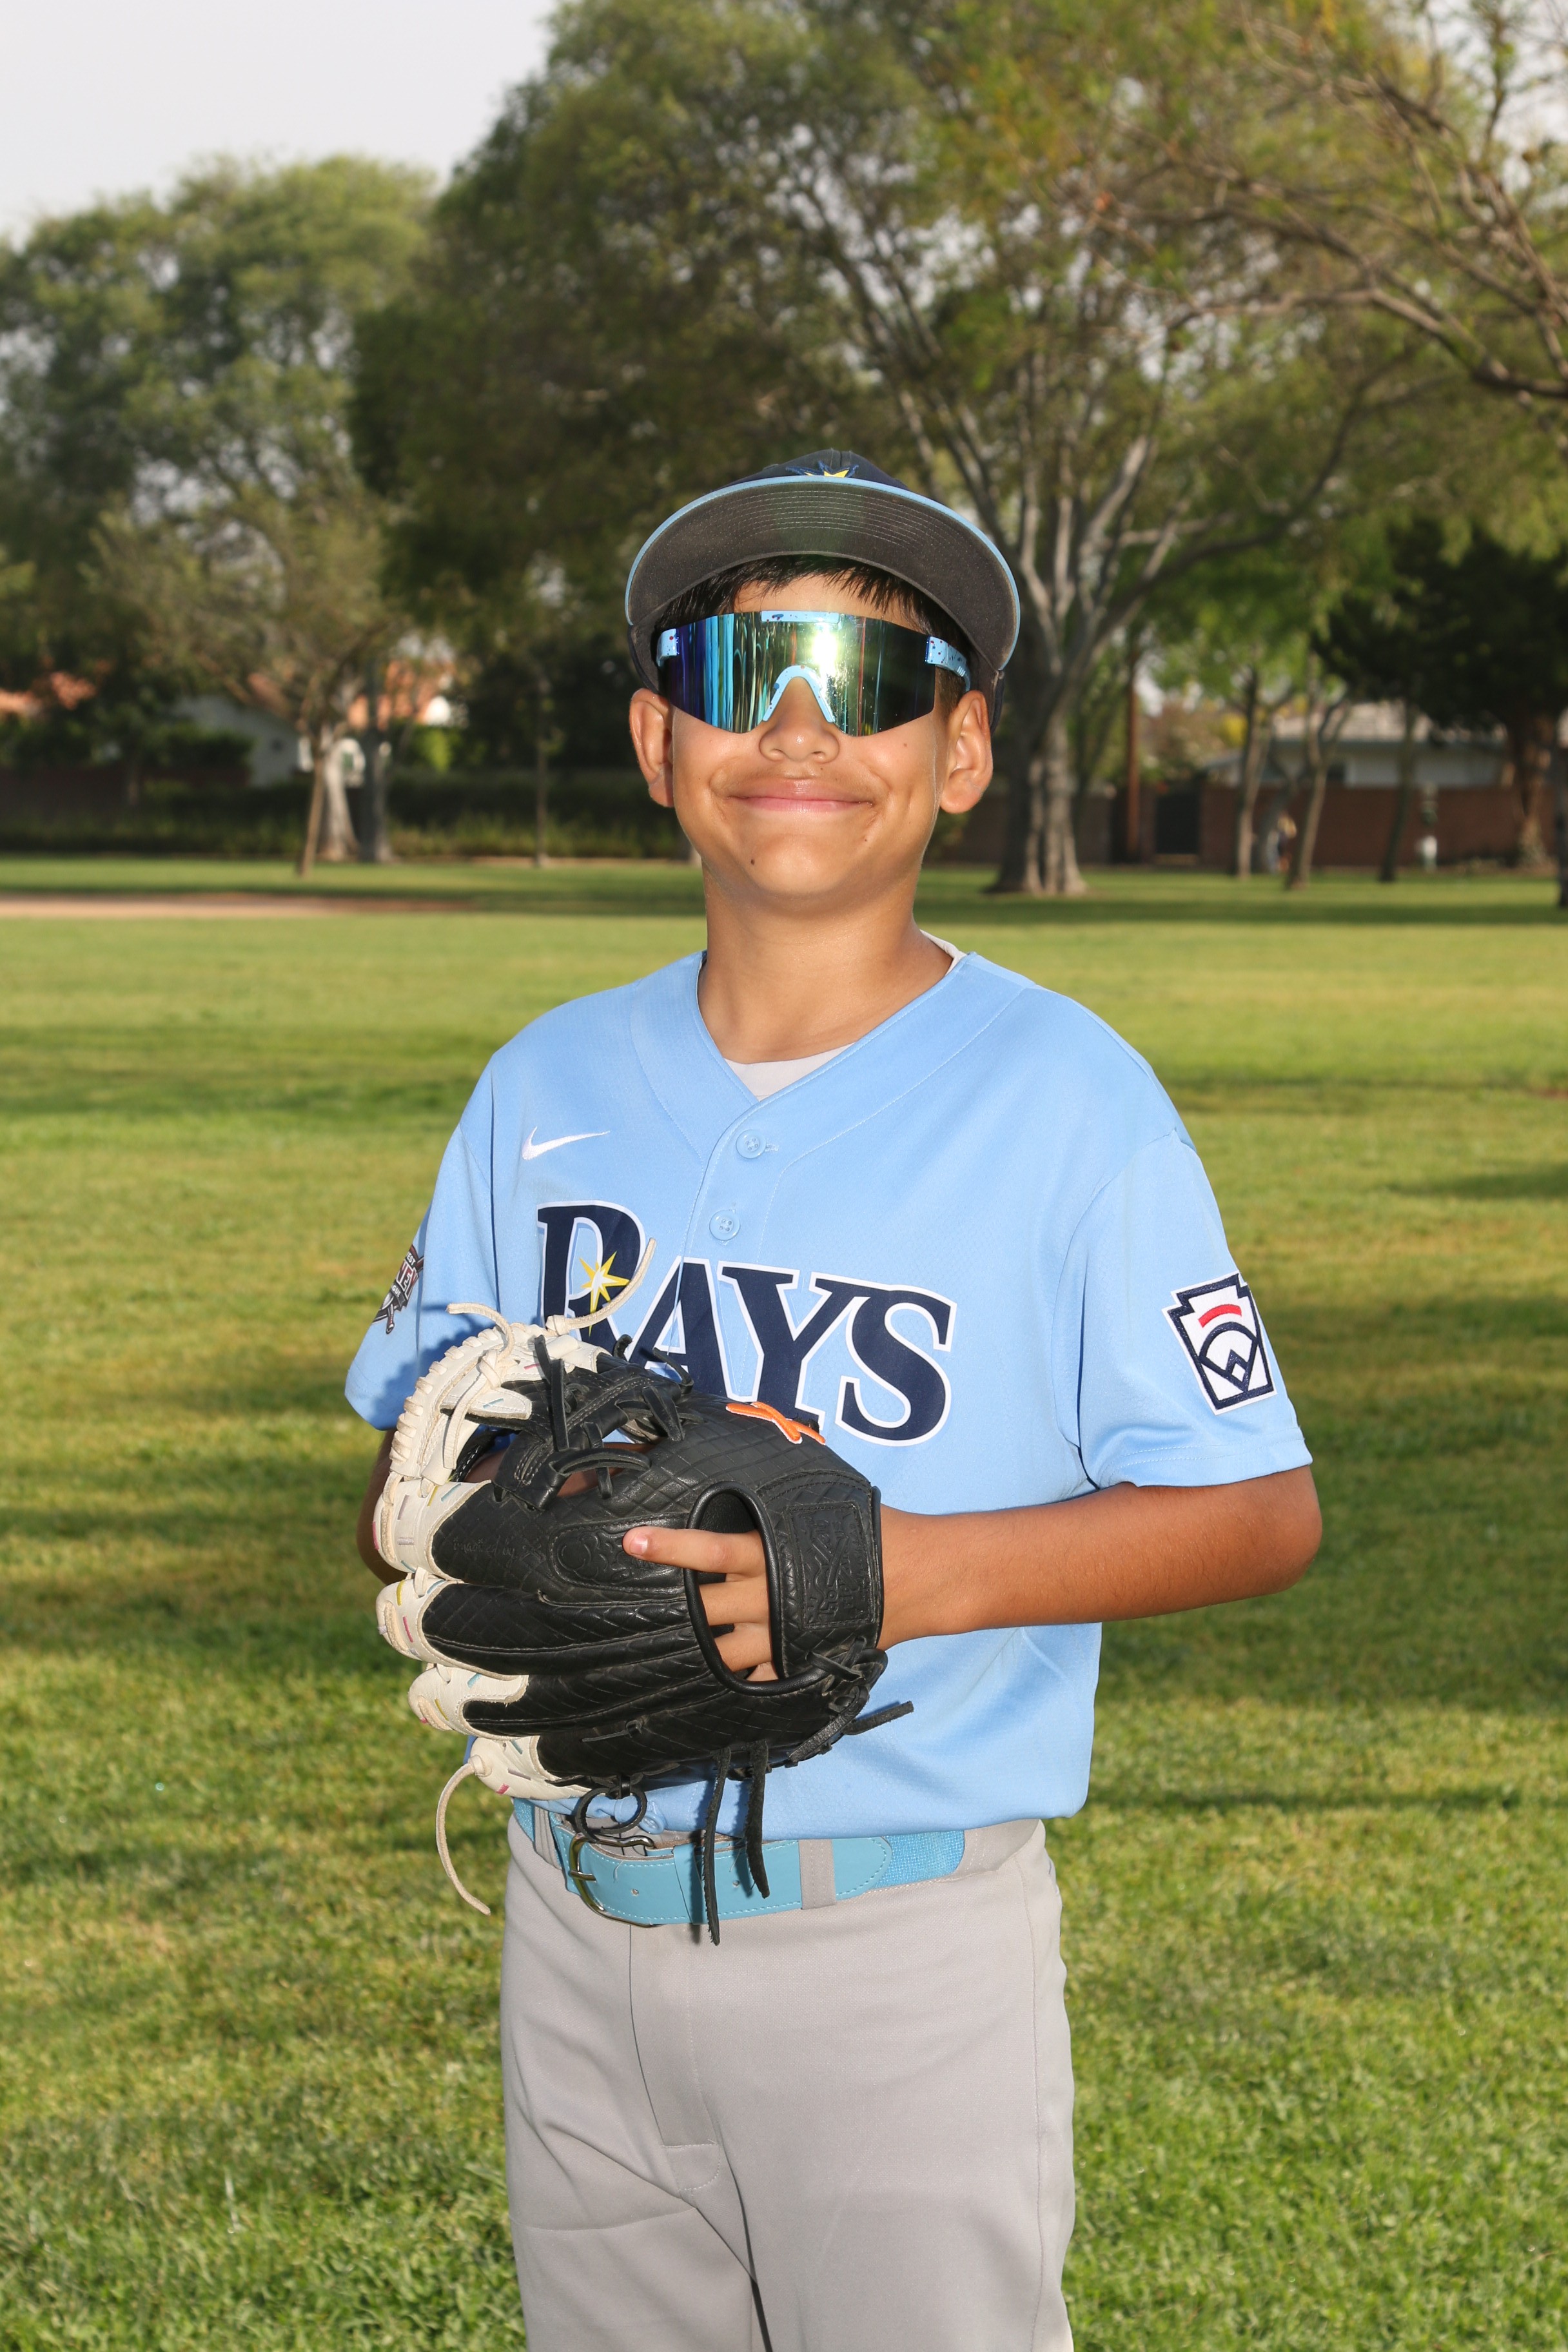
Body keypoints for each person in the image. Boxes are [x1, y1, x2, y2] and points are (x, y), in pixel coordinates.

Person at [346, 450, 1321, 2352]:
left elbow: (1258, 1511)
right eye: (739, 671)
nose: (798, 727)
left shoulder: (1068, 1097)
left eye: (869, 683)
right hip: (571, 1916)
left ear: (960, 753)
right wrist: (478, 1533)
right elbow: (410, 1447)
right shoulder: (545, 1083)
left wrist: (898, 1572)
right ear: (658, 740)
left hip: (896, 1952)